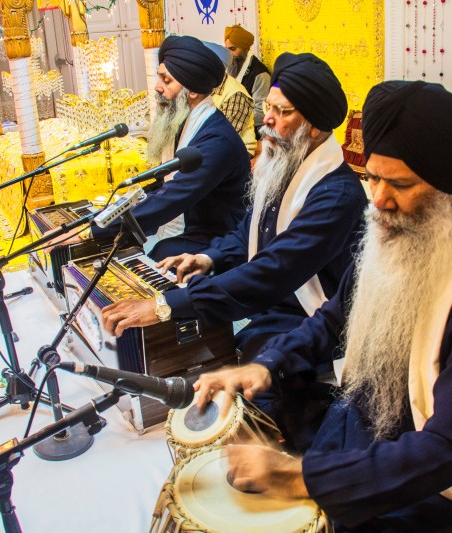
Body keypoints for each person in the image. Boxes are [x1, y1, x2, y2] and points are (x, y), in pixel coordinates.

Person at [192, 81, 452, 532]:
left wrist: (297, 477)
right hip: (371, 428)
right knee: (260, 412)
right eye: (372, 177)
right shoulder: (393, 234)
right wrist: (268, 365)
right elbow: (335, 317)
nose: (378, 200)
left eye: (401, 184)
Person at [100, 52, 368, 360]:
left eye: (282, 112)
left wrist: (165, 306)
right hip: (273, 307)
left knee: (224, 366)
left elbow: (275, 269)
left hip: (312, 320)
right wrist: (208, 258)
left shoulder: (335, 196)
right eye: (269, 107)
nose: (267, 119)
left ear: (315, 128)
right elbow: (249, 230)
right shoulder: (287, 163)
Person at [90, 35, 251, 261]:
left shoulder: (216, 140)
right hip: (195, 233)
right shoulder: (186, 124)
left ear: (192, 90)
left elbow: (172, 197)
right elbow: (161, 186)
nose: (157, 87)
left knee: (154, 259)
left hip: (220, 243)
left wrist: (93, 230)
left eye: (166, 81)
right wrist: (106, 216)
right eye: (160, 78)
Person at [224, 25, 270, 138]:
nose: (229, 54)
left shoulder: (260, 75)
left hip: (252, 134)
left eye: (233, 49)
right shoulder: (230, 67)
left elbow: (262, 111)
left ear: (245, 48)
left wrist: (234, 118)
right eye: (226, 49)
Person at [211, 72, 257, 156]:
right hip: (207, 145)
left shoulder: (237, 95)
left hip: (238, 152)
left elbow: (222, 139)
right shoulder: (204, 85)